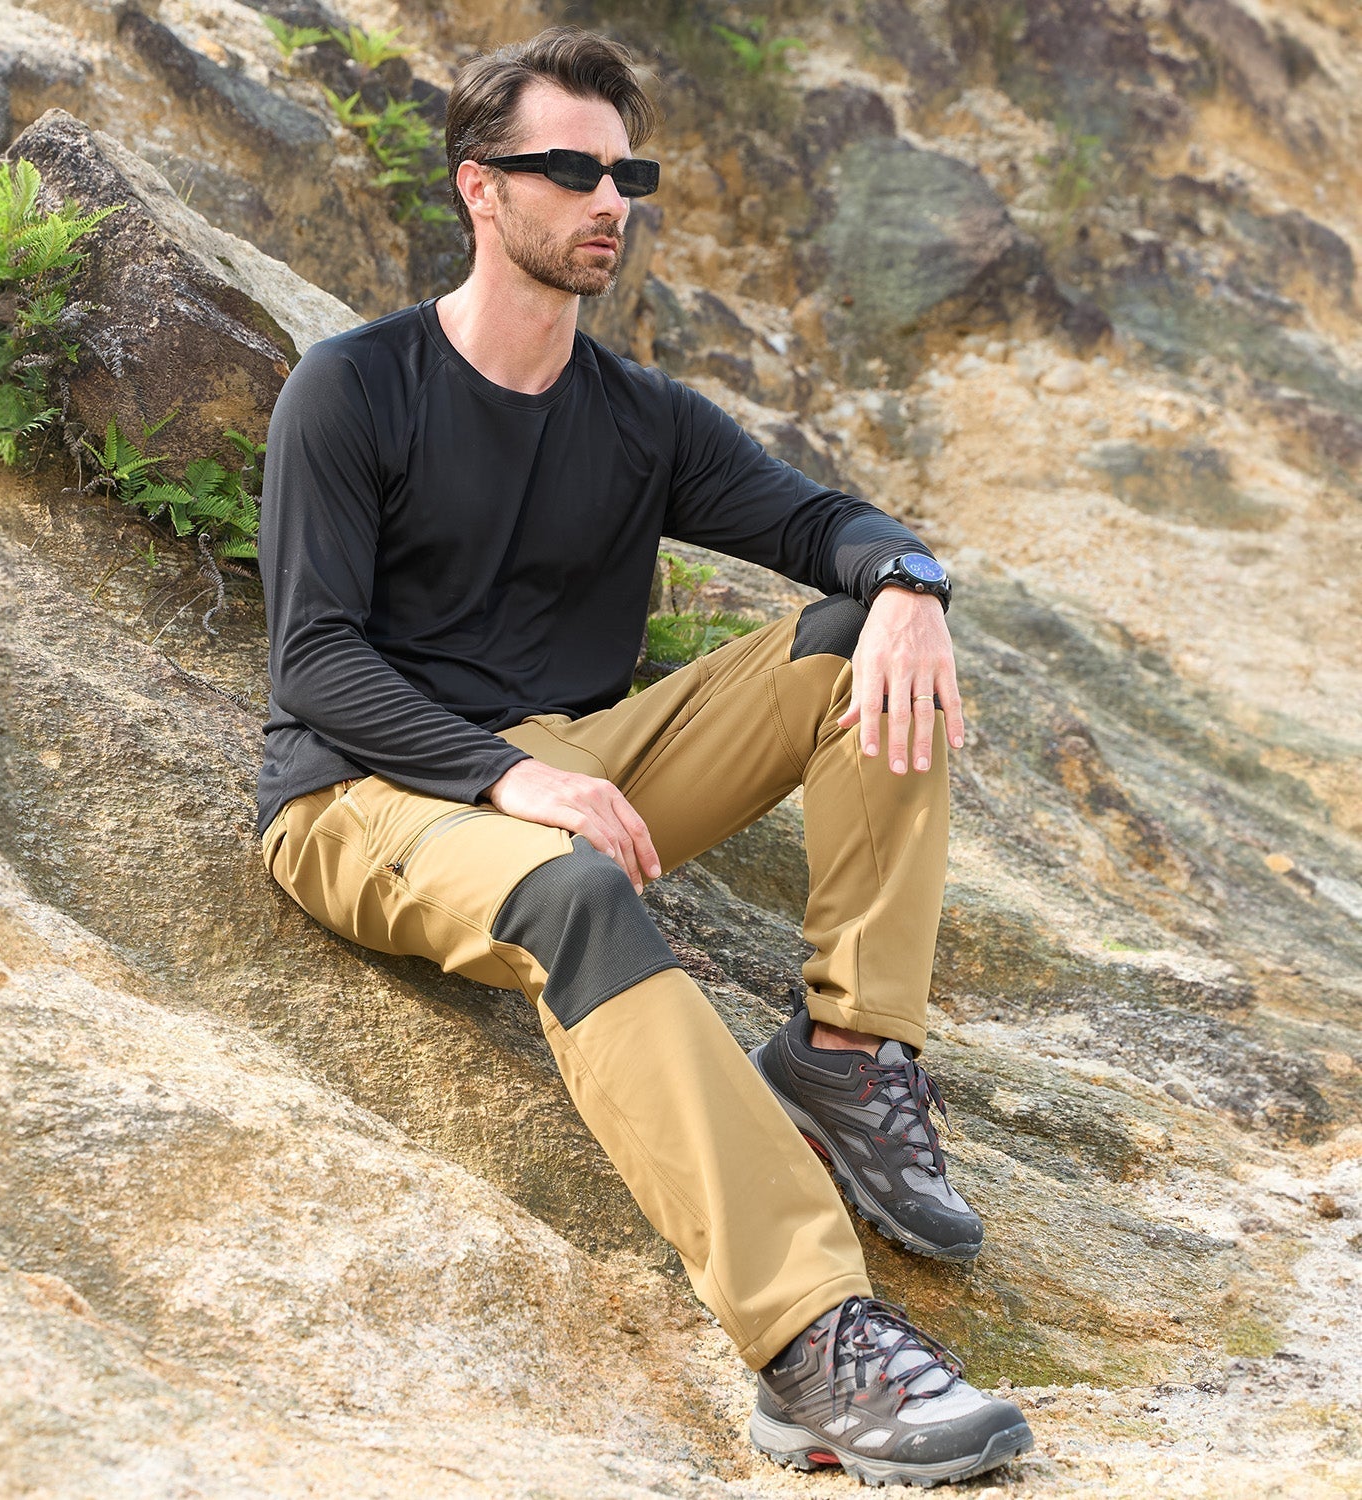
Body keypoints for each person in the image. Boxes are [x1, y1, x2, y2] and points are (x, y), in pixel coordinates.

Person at [256, 25, 1034, 1487]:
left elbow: (827, 526)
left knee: (856, 642)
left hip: (576, 759)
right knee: (575, 889)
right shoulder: (353, 387)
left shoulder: (641, 419)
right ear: (480, 185)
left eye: (628, 175)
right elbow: (313, 660)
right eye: (572, 169)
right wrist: (511, 779)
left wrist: (913, 583)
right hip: (365, 796)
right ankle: (810, 1344)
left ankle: (849, 1057)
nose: (609, 200)